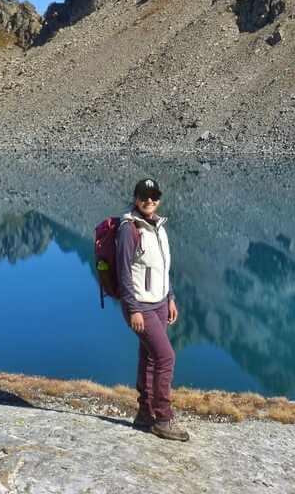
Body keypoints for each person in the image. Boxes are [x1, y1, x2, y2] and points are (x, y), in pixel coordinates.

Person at [115, 177, 189, 442]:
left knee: (149, 356)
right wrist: (133, 308)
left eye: (154, 196)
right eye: (144, 196)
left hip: (159, 302)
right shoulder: (129, 228)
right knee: (165, 357)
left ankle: (145, 414)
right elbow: (124, 272)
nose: (149, 201)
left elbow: (162, 267)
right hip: (140, 305)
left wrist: (169, 297)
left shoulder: (158, 226)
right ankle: (163, 418)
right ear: (136, 198)